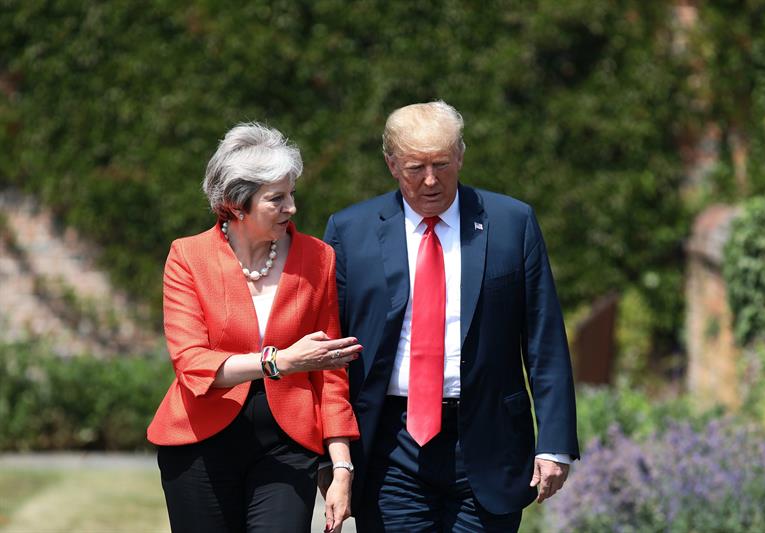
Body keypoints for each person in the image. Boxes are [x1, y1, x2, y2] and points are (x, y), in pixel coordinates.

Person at [323, 101, 579, 532]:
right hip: (391, 445)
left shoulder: (510, 223)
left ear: (460, 155)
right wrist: (337, 457)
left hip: (487, 438)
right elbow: (331, 350)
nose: (430, 180)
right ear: (390, 165)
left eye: (442, 164)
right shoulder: (351, 231)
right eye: (414, 167)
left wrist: (555, 444)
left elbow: (544, 340)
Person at [147, 122, 361, 533]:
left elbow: (331, 374)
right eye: (276, 199)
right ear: (236, 204)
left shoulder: (319, 258)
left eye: (292, 194)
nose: (292, 208)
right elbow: (192, 365)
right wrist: (279, 362)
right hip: (198, 446)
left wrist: (341, 466)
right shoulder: (187, 257)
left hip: (287, 445)